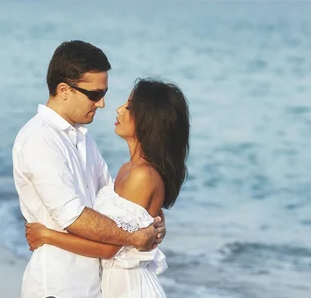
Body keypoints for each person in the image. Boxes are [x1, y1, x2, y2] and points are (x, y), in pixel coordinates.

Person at [13, 41, 166, 298]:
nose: (102, 103)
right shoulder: (40, 139)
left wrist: (152, 220)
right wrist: (134, 237)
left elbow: (113, 201)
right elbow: (72, 216)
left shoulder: (83, 139)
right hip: (58, 286)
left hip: (94, 286)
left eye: (103, 93)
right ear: (64, 90)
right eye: (95, 94)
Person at [26, 78, 190, 298]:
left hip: (132, 289)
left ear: (148, 121)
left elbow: (110, 247)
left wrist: (46, 235)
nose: (118, 109)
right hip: (113, 287)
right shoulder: (127, 169)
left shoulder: (143, 176)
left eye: (129, 107)